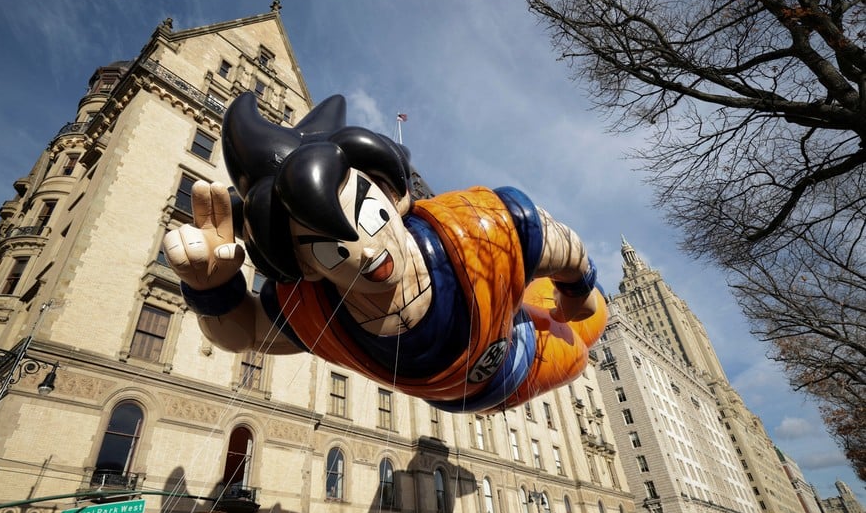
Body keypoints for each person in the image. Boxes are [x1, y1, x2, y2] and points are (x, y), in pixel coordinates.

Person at [164, 93, 607, 413]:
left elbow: (558, 241)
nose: (368, 252)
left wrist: (580, 287)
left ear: (393, 195)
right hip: (500, 377)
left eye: (371, 216)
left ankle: (559, 302)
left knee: (592, 318)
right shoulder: (317, 312)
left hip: (510, 345)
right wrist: (212, 289)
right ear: (307, 268)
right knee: (580, 346)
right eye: (332, 251)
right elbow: (245, 334)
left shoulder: (479, 226)